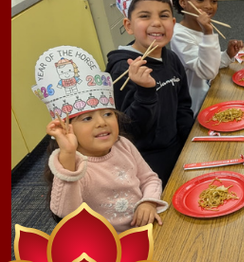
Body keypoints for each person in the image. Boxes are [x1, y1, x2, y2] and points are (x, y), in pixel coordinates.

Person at [36, 45, 168, 231]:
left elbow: (150, 179)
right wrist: (68, 153)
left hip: (146, 227)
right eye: (87, 118)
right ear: (67, 128)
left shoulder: (123, 145)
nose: (101, 122)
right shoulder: (72, 164)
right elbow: (67, 214)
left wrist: (148, 202)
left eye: (107, 114)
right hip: (109, 242)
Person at [106, 0, 194, 185]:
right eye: (145, 16)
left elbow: (183, 105)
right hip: (144, 162)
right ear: (128, 25)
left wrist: (191, 142)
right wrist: (145, 91)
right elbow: (127, 129)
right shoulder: (123, 69)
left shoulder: (171, 58)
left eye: (163, 15)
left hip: (177, 149)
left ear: (173, 22)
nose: (156, 22)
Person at [169, 0, 244, 115]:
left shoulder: (203, 29)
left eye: (214, 1)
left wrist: (227, 55)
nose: (209, 6)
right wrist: (208, 34)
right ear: (183, 2)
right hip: (197, 107)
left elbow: (213, 64)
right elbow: (207, 71)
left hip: (213, 95)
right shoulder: (179, 35)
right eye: (200, 0)